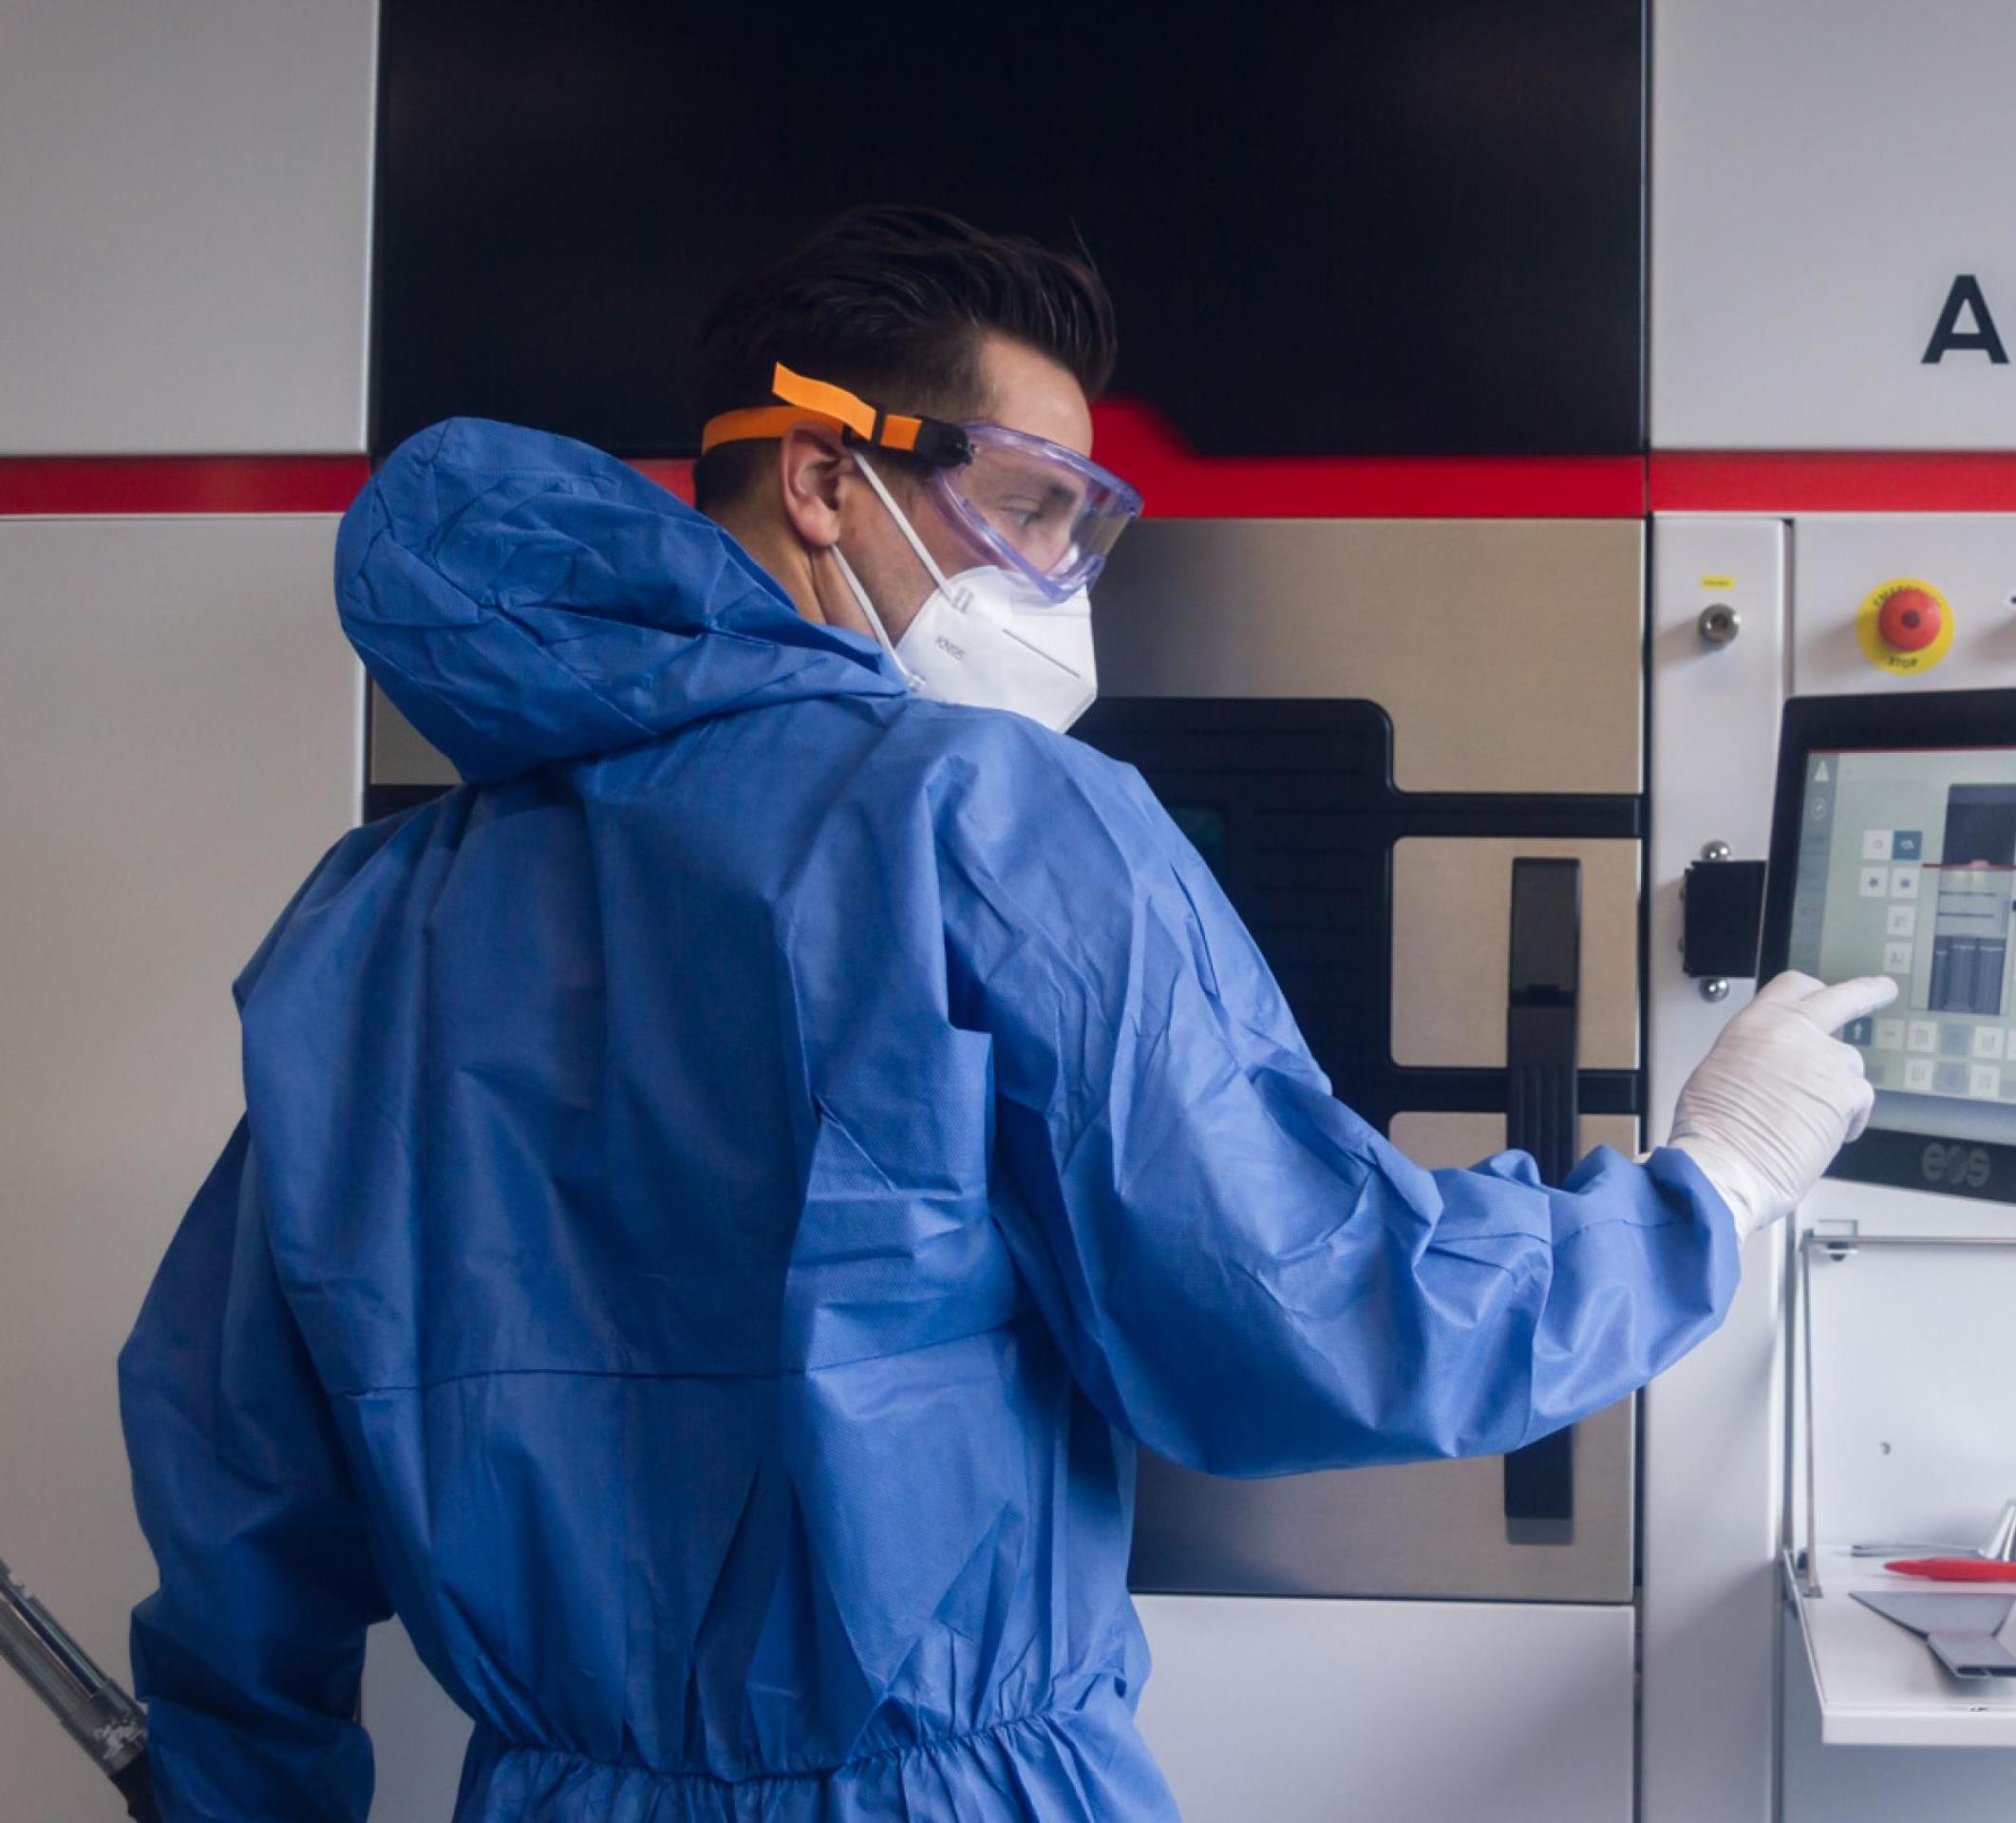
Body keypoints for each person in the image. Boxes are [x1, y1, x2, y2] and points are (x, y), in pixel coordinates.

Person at [117, 206, 1895, 1823]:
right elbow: (1324, 1313)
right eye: (1037, 507)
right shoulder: (984, 813)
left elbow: (237, 1473)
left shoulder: (368, 915)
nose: (1064, 579)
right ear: (826, 476)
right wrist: (1710, 1187)